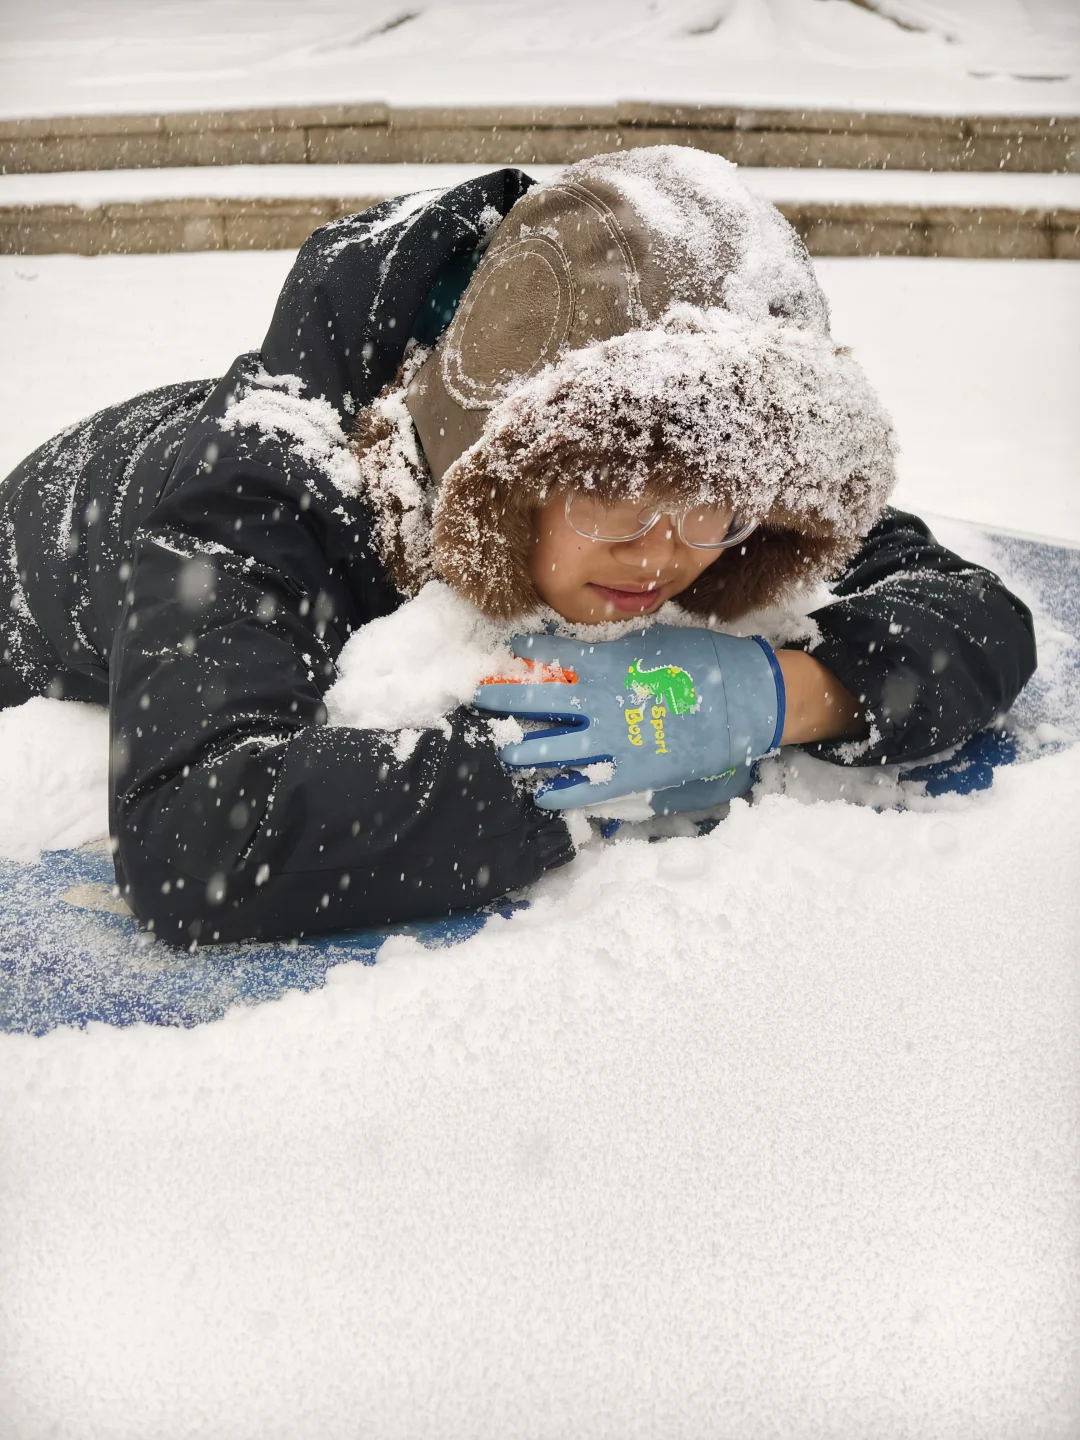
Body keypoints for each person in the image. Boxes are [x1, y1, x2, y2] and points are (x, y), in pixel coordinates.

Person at [0, 148, 1036, 946]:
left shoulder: (712, 498)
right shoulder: (268, 491)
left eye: (712, 507)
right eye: (615, 501)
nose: (665, 555)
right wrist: (547, 770)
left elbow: (972, 612)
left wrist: (775, 695)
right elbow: (200, 840)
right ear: (499, 473)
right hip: (45, 543)